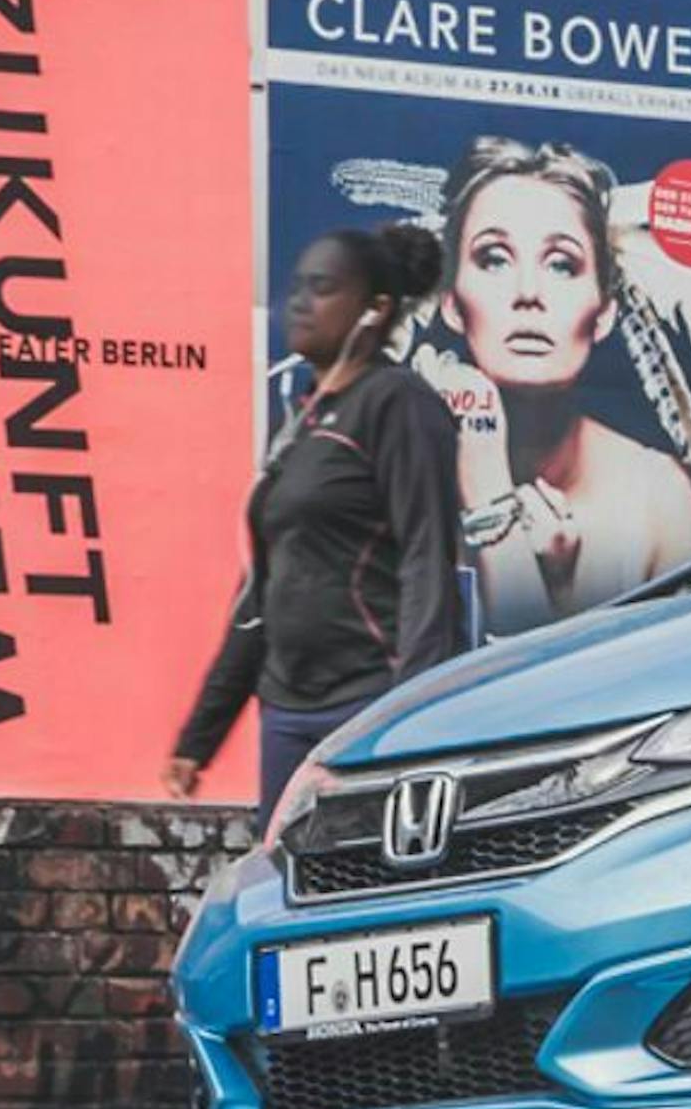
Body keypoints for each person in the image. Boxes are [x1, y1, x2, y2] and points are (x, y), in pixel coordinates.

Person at [164, 225, 468, 823]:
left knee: (364, 891)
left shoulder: (397, 403)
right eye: (298, 287)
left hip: (365, 707)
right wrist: (199, 737)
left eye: (323, 288)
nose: (299, 303)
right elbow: (261, 593)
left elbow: (426, 557)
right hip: (287, 710)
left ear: (375, 309)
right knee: (286, 885)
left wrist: (412, 716)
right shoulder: (303, 421)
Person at [406, 138, 691, 633]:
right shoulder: (403, 476)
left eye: (561, 264)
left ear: (605, 312)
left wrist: (561, 592)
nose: (529, 294)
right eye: (494, 259)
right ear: (451, 303)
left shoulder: (661, 500)